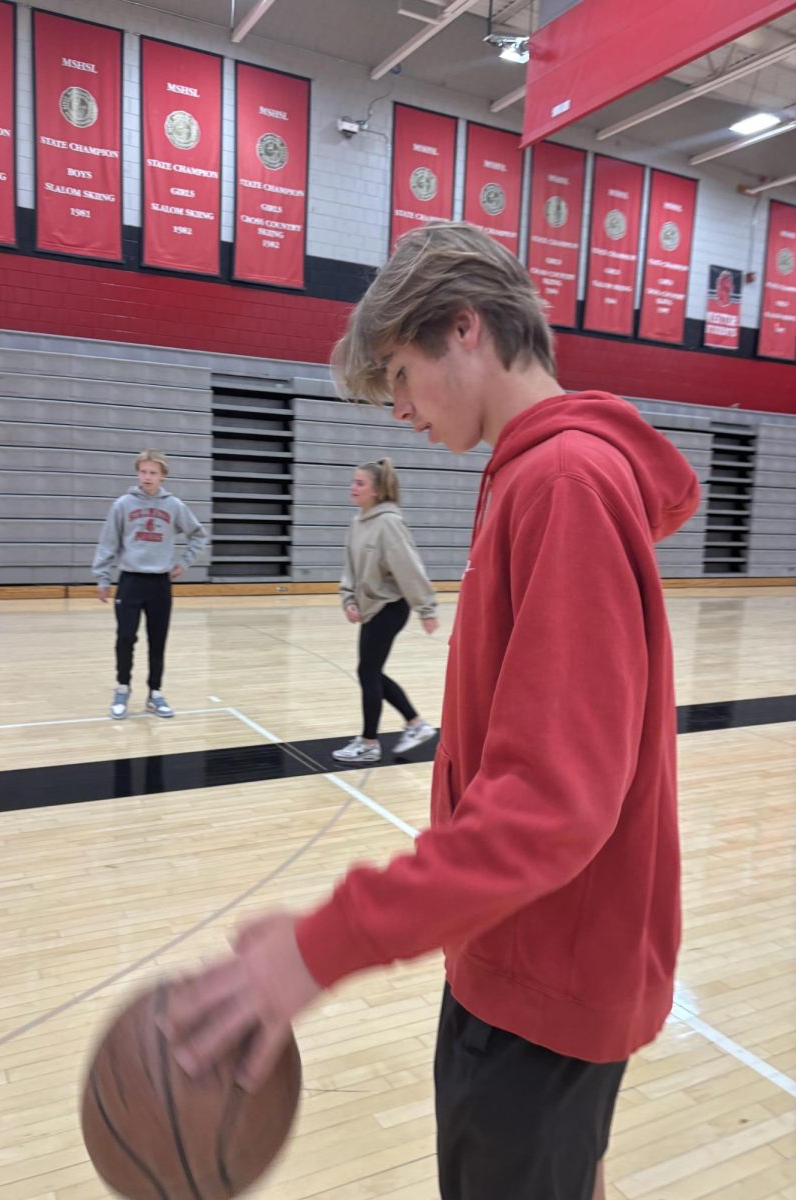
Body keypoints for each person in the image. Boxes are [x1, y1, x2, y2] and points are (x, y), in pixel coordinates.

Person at [159, 223, 701, 1200]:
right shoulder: (538, 471)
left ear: (465, 329)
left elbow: (549, 804)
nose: (399, 410)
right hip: (531, 958)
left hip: (541, 985)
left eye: (401, 376)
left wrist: (324, 945)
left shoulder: (565, 481)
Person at [333, 456, 438, 764]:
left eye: (360, 483)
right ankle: (416, 724)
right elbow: (350, 569)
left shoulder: (389, 523)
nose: (353, 487)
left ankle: (369, 743)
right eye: (353, 481)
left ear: (376, 491)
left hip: (391, 607)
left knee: (367, 671)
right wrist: (348, 599)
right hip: (369, 608)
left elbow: (409, 568)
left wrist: (426, 608)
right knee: (371, 671)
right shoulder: (357, 521)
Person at [92, 449, 208, 720]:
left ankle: (155, 693)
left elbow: (198, 536)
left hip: (159, 584)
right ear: (137, 473)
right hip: (130, 580)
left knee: (158, 641)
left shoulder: (174, 506)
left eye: (153, 472)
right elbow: (108, 542)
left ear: (163, 476)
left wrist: (183, 564)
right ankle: (122, 688)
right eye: (143, 471)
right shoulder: (123, 504)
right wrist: (102, 576)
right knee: (125, 637)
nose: (147, 477)